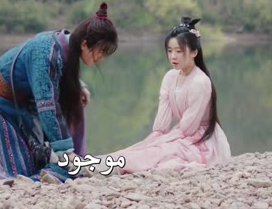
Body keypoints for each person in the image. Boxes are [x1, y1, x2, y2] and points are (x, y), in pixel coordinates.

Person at [0, 2, 118, 183]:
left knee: (46, 166)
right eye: (101, 52)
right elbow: (48, 107)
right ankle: (67, 157)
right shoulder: (45, 52)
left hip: (22, 106)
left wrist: (78, 87)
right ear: (84, 44)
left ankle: (69, 159)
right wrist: (66, 153)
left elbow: (59, 74)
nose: (101, 58)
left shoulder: (65, 47)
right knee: (13, 173)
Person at [98, 16, 231, 175]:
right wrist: (154, 138)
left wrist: (163, 141)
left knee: (160, 153)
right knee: (144, 149)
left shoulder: (200, 82)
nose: (173, 56)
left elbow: (188, 129)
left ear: (194, 52)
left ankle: (105, 167)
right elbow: (161, 125)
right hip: (181, 134)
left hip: (200, 141)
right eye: (169, 50)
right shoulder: (170, 77)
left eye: (179, 51)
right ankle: (96, 165)